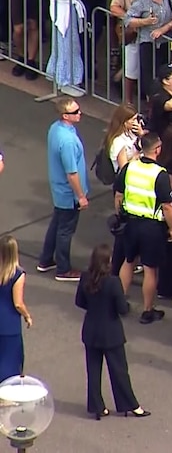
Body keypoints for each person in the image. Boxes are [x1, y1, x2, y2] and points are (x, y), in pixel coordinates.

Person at [75, 244, 150, 419]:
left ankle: (96, 407)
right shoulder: (113, 282)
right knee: (119, 371)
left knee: (93, 371)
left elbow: (80, 301)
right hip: (111, 333)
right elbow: (122, 309)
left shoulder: (86, 277)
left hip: (91, 331)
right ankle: (130, 405)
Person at [115, 132, 172, 323]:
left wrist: (120, 215)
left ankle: (120, 302)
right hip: (151, 226)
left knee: (128, 261)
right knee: (150, 269)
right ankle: (148, 310)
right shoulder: (160, 174)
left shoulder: (129, 168)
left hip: (130, 223)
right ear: (157, 149)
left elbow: (118, 195)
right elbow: (167, 206)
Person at [37, 97, 88, 282]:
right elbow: (72, 173)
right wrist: (80, 196)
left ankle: (45, 259)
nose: (80, 113)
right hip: (69, 193)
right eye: (75, 112)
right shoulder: (67, 141)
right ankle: (63, 268)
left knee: (57, 223)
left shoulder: (55, 128)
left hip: (59, 189)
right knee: (65, 230)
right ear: (65, 115)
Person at [0, 236, 31, 383]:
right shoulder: (17, 274)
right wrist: (27, 316)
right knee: (10, 361)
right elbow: (18, 303)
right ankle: (5, 395)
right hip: (9, 325)